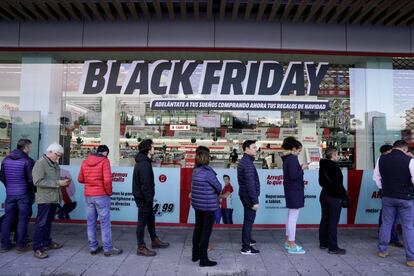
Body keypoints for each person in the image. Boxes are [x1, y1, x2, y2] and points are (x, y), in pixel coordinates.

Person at [374, 140, 414, 267]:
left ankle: (382, 250)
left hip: (388, 196)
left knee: (386, 223)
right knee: (407, 226)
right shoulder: (410, 160)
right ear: (404, 149)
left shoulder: (382, 159)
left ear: (394, 147)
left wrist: (384, 189)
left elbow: (376, 177)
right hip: (406, 197)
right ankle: (410, 258)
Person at [78, 145, 122, 257]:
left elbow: (80, 179)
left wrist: (90, 182)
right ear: (106, 152)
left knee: (91, 222)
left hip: (89, 195)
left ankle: (93, 247)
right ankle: (107, 248)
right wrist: (109, 192)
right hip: (101, 195)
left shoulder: (85, 161)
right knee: (105, 223)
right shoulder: (104, 161)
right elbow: (107, 181)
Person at [32, 143, 69, 259]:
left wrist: (63, 181)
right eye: (57, 155)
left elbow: (53, 179)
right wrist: (58, 183)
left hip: (54, 198)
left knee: (48, 223)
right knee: (41, 223)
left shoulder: (54, 164)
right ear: (50, 152)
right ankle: (37, 248)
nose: (58, 157)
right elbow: (37, 182)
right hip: (45, 199)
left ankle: (47, 242)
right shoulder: (40, 163)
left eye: (60, 156)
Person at [133, 139, 169, 257]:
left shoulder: (144, 162)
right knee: (142, 223)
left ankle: (154, 240)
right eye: (153, 147)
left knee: (150, 220)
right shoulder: (144, 164)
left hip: (144, 198)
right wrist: (148, 199)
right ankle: (141, 247)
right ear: (148, 149)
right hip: (144, 199)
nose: (154, 148)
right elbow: (145, 184)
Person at [0, 139, 35, 253]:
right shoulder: (28, 160)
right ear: (25, 147)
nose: (30, 149)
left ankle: (5, 245)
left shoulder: (6, 159)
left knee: (7, 219)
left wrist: (9, 186)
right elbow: (31, 180)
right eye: (29, 146)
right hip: (24, 194)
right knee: (23, 219)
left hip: (10, 194)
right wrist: (32, 191)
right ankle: (21, 245)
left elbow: (2, 176)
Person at [191, 146, 222, 267]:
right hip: (208, 206)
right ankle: (203, 259)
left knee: (197, 228)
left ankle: (195, 255)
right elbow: (219, 187)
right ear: (206, 159)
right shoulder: (208, 173)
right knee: (206, 232)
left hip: (198, 205)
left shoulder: (195, 171)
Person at [318, 147, 348, 255]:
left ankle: (323, 242)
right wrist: (343, 195)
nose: (338, 156)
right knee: (333, 222)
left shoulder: (323, 165)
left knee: (325, 219)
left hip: (324, 195)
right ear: (333, 155)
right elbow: (338, 185)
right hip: (334, 197)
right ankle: (333, 247)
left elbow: (321, 182)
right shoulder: (334, 167)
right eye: (336, 154)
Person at [374, 144, 403, 248]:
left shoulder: (383, 160)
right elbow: (376, 176)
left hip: (387, 191)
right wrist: (383, 188)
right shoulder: (383, 160)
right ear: (387, 151)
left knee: (386, 216)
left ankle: (386, 236)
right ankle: (392, 237)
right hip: (390, 191)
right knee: (391, 217)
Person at [281, 136, 306, 254]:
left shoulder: (287, 158)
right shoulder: (292, 159)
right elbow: (294, 176)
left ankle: (288, 241)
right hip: (294, 190)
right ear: (294, 148)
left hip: (291, 190)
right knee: (293, 217)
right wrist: (303, 168)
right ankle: (291, 244)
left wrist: (299, 168)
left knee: (291, 215)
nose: (299, 153)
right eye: (299, 150)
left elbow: (291, 174)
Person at [238, 140, 260, 255]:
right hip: (249, 196)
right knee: (248, 221)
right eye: (254, 147)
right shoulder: (247, 163)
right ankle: (246, 247)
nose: (256, 149)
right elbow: (250, 183)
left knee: (248, 219)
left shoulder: (246, 161)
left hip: (245, 194)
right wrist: (255, 201)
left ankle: (248, 241)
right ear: (247, 149)